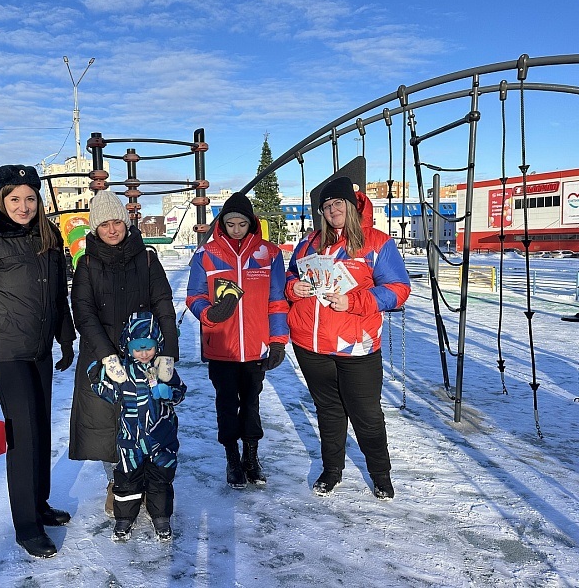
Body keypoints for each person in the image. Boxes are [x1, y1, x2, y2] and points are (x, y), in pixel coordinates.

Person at [0, 164, 76, 558]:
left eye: (30, 198)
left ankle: (39, 504)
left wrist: (66, 335)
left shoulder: (49, 235)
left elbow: (58, 293)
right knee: (23, 437)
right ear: (1, 200)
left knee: (41, 428)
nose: (23, 206)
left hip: (39, 348)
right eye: (15, 199)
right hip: (4, 352)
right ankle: (26, 526)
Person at [285, 176, 411, 500]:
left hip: (356, 344)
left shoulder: (376, 243)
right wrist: (291, 288)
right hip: (309, 344)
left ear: (351, 205)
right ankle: (332, 471)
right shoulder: (309, 243)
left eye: (337, 203)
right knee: (328, 410)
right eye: (326, 206)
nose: (332, 210)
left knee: (366, 414)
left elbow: (398, 289)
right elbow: (289, 276)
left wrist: (355, 301)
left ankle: (380, 475)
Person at [69, 189, 180, 516]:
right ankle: (117, 483)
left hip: (143, 356)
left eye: (117, 221)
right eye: (104, 225)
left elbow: (163, 305)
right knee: (107, 426)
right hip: (102, 358)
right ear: (95, 229)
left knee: (145, 422)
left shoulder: (146, 258)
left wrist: (167, 353)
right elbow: (84, 313)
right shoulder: (86, 264)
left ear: (127, 222)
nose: (112, 229)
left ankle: (143, 481)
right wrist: (107, 356)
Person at [186, 192, 289, 489]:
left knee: (252, 404)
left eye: (241, 223)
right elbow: (194, 296)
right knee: (227, 405)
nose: (235, 229)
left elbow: (277, 299)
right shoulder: (206, 254)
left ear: (251, 223)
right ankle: (232, 457)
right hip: (222, 347)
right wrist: (209, 312)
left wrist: (278, 340)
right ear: (222, 223)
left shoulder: (269, 254)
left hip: (256, 346)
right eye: (230, 223)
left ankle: (251, 457)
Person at [89, 311, 187, 542]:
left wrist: (169, 392)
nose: (144, 353)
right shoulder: (123, 373)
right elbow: (111, 394)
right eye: (138, 348)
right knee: (127, 478)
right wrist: (96, 378)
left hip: (162, 437)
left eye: (149, 347)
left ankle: (161, 516)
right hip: (130, 438)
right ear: (128, 346)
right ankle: (124, 517)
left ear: (157, 345)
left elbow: (180, 392)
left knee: (160, 478)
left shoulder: (165, 370)